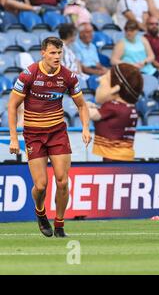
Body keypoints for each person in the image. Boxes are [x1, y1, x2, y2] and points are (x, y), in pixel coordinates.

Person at [8, 37, 91, 238]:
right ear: (43, 53)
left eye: (59, 53)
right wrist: (13, 138)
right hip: (34, 135)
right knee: (41, 185)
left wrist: (86, 128)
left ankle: (60, 224)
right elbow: (12, 106)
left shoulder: (68, 76)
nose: (56, 57)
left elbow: (81, 105)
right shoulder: (28, 74)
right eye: (52, 53)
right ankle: (40, 212)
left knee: (62, 181)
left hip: (57, 133)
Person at [88, 64, 143, 162]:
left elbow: (93, 115)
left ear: (115, 89)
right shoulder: (131, 107)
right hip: (127, 153)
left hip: (112, 155)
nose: (99, 80)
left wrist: (81, 106)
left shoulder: (113, 106)